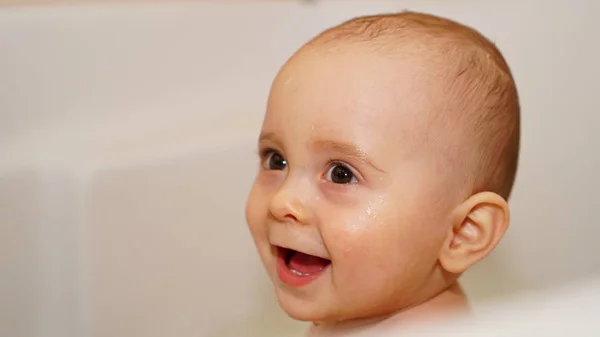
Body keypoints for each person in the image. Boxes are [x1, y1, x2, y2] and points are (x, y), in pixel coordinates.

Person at [245, 10, 520, 336]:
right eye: (277, 161)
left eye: (341, 174)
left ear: (463, 233)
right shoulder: (363, 307)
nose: (282, 201)